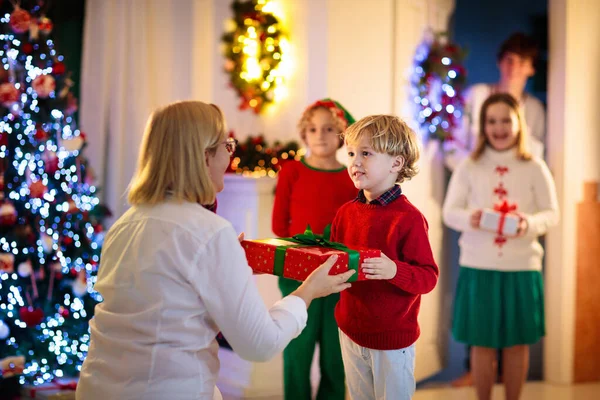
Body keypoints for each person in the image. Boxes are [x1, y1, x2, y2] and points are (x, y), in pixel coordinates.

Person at [75, 101, 356, 400]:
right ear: (205, 155)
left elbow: (164, 293)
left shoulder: (126, 223)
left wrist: (228, 261)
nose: (230, 155)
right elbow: (260, 344)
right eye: (227, 145)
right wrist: (308, 291)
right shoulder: (210, 232)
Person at [442, 93, 559, 400]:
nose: (499, 127)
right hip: (479, 266)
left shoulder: (534, 165)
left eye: (506, 120)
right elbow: (450, 212)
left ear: (519, 123)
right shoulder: (470, 165)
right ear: (483, 126)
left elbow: (552, 214)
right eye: (491, 121)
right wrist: (475, 218)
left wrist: (527, 224)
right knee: (481, 342)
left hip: (521, 267)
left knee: (517, 343)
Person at [330, 115, 439, 400]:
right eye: (351, 153)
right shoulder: (345, 213)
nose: (354, 161)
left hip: (392, 340)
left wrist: (394, 270)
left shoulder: (409, 219)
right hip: (350, 329)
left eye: (366, 153)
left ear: (396, 163)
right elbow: (336, 261)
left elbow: (428, 277)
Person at [272, 98, 358, 400]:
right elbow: (279, 226)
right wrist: (305, 250)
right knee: (297, 348)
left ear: (342, 133)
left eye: (328, 128)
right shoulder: (292, 171)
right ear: (304, 134)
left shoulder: (352, 178)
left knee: (336, 355)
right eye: (312, 128)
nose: (319, 134)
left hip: (339, 277)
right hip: (297, 274)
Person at [445, 32, 546, 172]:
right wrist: (476, 172)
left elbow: (536, 154)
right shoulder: (475, 95)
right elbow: (452, 145)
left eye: (522, 62)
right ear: (500, 62)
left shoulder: (535, 109)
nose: (514, 68)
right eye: (509, 60)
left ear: (531, 69)